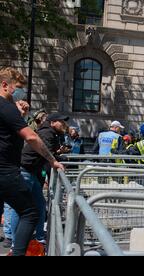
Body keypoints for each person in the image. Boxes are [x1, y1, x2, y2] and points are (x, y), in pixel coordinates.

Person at [0, 67, 64, 256]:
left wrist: (19, 112)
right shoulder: (5, 107)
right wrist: (52, 161)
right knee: (31, 212)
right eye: (17, 88)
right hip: (6, 171)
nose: (20, 93)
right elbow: (32, 138)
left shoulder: (8, 108)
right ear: (5, 85)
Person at [5, 113, 69, 247]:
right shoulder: (47, 133)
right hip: (25, 171)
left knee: (39, 205)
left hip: (31, 172)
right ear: (52, 122)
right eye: (61, 121)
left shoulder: (50, 133)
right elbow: (44, 151)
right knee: (21, 208)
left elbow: (47, 151)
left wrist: (56, 155)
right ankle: (15, 241)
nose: (64, 124)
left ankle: (39, 237)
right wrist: (54, 161)